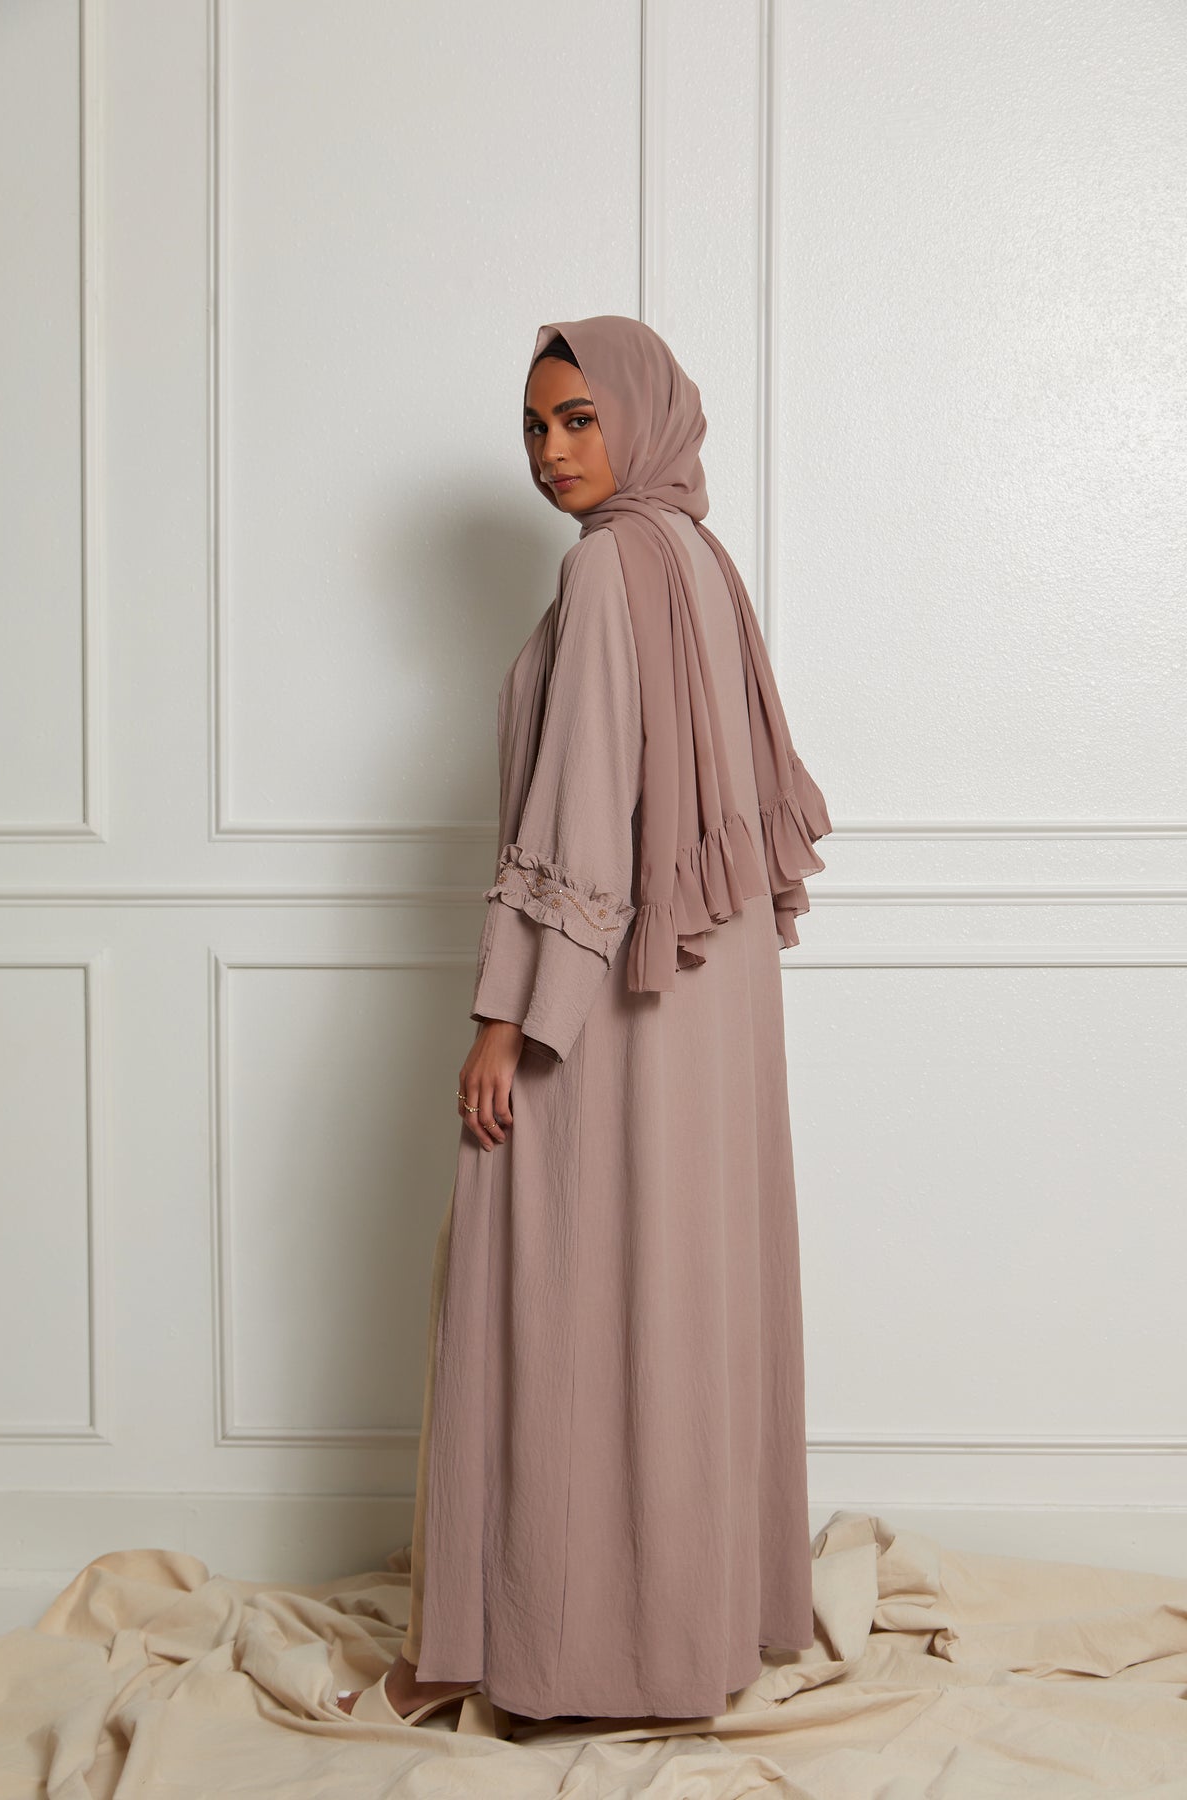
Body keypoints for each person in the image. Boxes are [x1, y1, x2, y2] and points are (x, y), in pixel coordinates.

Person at [337, 314, 832, 1729]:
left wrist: (507, 1018)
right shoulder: (701, 560)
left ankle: (558, 1650)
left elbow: (581, 811)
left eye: (579, 420)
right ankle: (690, 1626)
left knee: (561, 1289)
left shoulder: (612, 565)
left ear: (642, 420)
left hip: (615, 997)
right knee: (674, 1295)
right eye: (537, 426)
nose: (553, 452)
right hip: (710, 999)